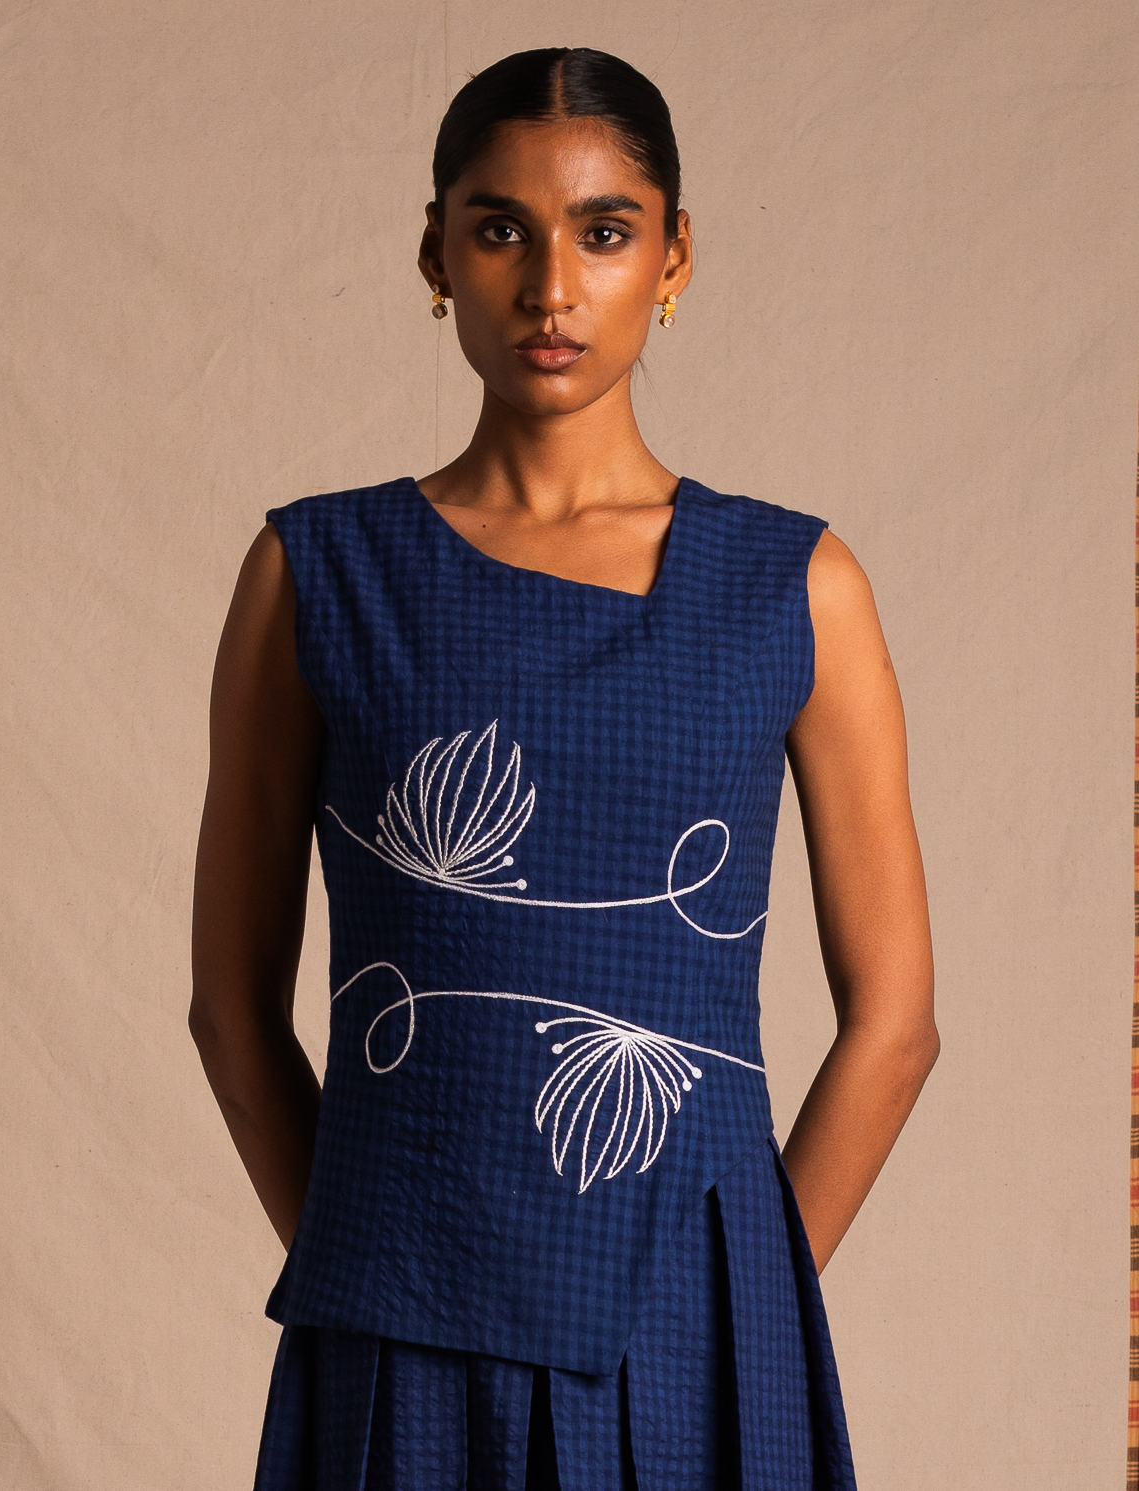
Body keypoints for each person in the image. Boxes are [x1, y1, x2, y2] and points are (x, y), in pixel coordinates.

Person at [189, 46, 938, 1491]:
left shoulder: (793, 587)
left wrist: (739, 1297)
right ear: (435, 254)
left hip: (697, 1334)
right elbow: (232, 1009)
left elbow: (895, 1024)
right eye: (500, 230)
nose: (550, 287)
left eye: (603, 232)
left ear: (673, 256)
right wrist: (377, 1262)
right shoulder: (316, 572)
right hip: (397, 1319)